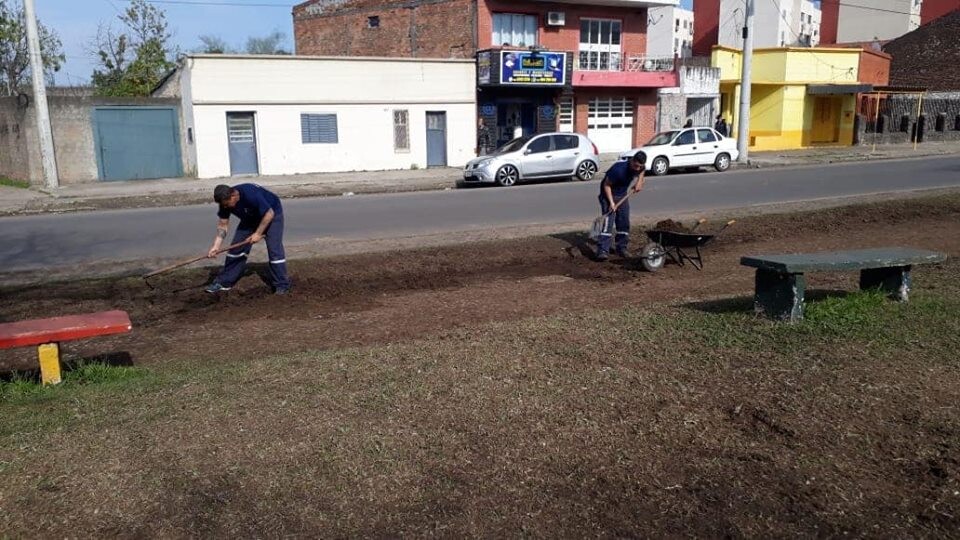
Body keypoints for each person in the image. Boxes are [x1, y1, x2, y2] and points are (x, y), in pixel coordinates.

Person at [205, 183, 291, 295]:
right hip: (250, 218)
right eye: (224, 205)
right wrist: (216, 246)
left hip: (272, 215)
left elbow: (269, 214)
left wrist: (258, 233)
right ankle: (224, 282)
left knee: (274, 251)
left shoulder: (251, 194)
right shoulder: (224, 202)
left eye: (227, 204)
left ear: (233, 196)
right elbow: (223, 225)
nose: (226, 207)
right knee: (236, 250)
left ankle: (282, 285)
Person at [596, 151, 646, 261]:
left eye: (639, 167)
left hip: (622, 195)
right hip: (608, 195)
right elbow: (606, 185)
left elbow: (642, 170)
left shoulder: (639, 167)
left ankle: (621, 248)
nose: (637, 169)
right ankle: (603, 250)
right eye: (636, 166)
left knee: (624, 222)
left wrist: (639, 182)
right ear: (632, 160)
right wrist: (611, 203)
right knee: (608, 222)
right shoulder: (618, 169)